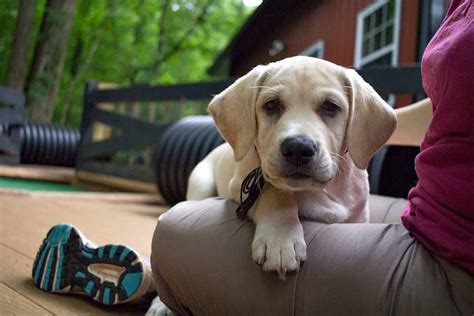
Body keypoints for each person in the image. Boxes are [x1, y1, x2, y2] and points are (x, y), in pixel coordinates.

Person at [32, 0, 473, 314]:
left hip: (454, 264)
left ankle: (159, 283)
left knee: (176, 237)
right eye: (273, 107)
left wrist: (365, 129)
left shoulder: (355, 151)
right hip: (437, 223)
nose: (298, 138)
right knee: (188, 208)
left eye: (330, 108)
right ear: (249, 117)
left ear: (354, 119)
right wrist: (276, 208)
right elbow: (235, 183)